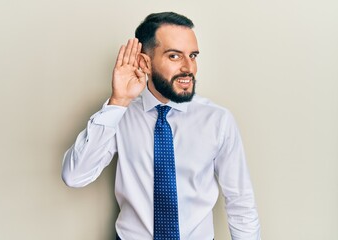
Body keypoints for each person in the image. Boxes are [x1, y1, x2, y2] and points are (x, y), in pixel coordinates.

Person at [62, 12, 261, 240]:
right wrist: (118, 102)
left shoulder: (217, 120)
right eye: (175, 56)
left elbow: (240, 201)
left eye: (193, 55)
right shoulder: (120, 114)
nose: (189, 68)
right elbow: (75, 176)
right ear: (145, 62)